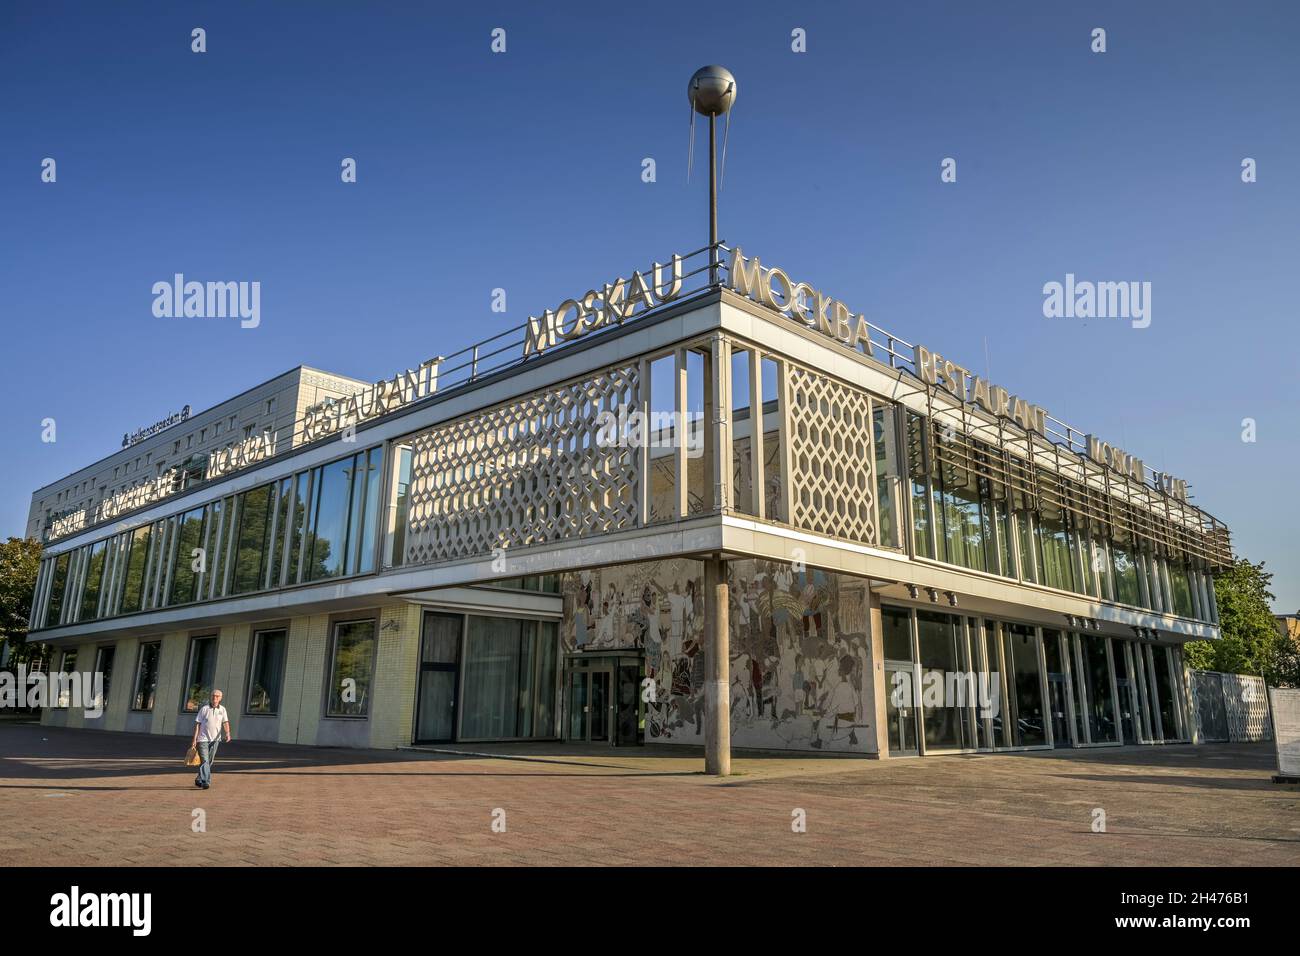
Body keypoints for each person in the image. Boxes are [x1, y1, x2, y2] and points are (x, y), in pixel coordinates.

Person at [191, 689, 231, 790]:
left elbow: (225, 722)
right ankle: (206, 781)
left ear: (220, 698)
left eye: (217, 696)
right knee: (205, 760)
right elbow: (197, 724)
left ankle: (199, 779)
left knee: (210, 761)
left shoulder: (222, 710)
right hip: (202, 739)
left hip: (216, 739)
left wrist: (227, 733)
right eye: (213, 695)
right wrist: (194, 739)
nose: (215, 697)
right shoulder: (204, 709)